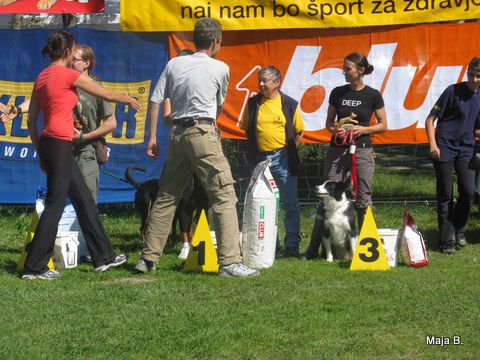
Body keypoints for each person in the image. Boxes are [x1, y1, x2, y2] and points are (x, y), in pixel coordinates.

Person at [134, 17, 259, 277]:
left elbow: (156, 100)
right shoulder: (220, 68)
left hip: (176, 135)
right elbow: (218, 107)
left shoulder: (174, 63)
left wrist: (153, 138)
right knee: (224, 194)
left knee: (167, 195)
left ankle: (147, 259)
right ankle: (230, 262)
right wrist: (211, 128)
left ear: (195, 39)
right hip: (202, 131)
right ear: (215, 41)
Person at [22, 31, 140, 280]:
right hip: (61, 144)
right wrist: (127, 99)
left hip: (49, 143)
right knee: (55, 202)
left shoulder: (41, 77)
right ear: (66, 52)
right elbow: (105, 94)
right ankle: (35, 266)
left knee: (84, 199)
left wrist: (39, 149)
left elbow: (32, 120)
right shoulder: (68, 75)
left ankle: (104, 257)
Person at [241, 65, 304, 257]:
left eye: (265, 80)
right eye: (259, 80)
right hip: (259, 160)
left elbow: (299, 132)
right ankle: (270, 245)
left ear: (277, 83)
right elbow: (246, 129)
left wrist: (288, 153)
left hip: (283, 159)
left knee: (290, 204)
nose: (261, 84)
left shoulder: (289, 104)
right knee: (263, 203)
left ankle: (292, 246)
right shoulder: (252, 103)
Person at [323, 52, 387, 229]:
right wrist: (336, 130)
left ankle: (365, 242)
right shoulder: (337, 92)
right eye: (343, 68)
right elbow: (329, 123)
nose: (344, 72)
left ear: (361, 70)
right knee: (330, 191)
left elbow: (383, 125)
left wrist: (364, 130)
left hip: (362, 150)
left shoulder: (373, 95)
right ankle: (321, 245)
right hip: (337, 148)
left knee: (363, 196)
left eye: (347, 69)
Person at [425, 57, 480, 254]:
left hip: (467, 149)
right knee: (445, 195)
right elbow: (430, 119)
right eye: (471, 75)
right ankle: (446, 241)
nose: (473, 79)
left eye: (478, 76)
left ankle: (459, 228)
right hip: (444, 147)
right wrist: (433, 144)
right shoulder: (452, 91)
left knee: (468, 192)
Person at [70, 44, 116, 201]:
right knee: (60, 198)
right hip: (64, 149)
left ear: (87, 63)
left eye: (74, 60)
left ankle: (88, 227)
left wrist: (85, 137)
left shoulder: (96, 89)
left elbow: (111, 123)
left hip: (86, 151)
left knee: (87, 200)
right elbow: (38, 98)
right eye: (69, 59)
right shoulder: (65, 85)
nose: (70, 63)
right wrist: (19, 110)